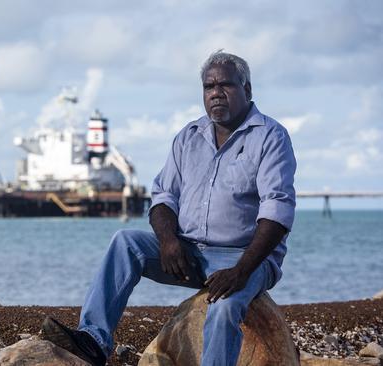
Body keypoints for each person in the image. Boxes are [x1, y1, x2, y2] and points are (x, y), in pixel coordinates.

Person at [41, 50, 296, 366]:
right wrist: (169, 241)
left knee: (225, 306)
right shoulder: (188, 137)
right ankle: (93, 340)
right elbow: (163, 197)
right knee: (125, 243)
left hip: (244, 257)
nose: (216, 93)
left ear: (247, 90)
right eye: (208, 86)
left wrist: (241, 271)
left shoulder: (271, 136)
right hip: (189, 251)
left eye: (226, 85)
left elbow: (278, 210)